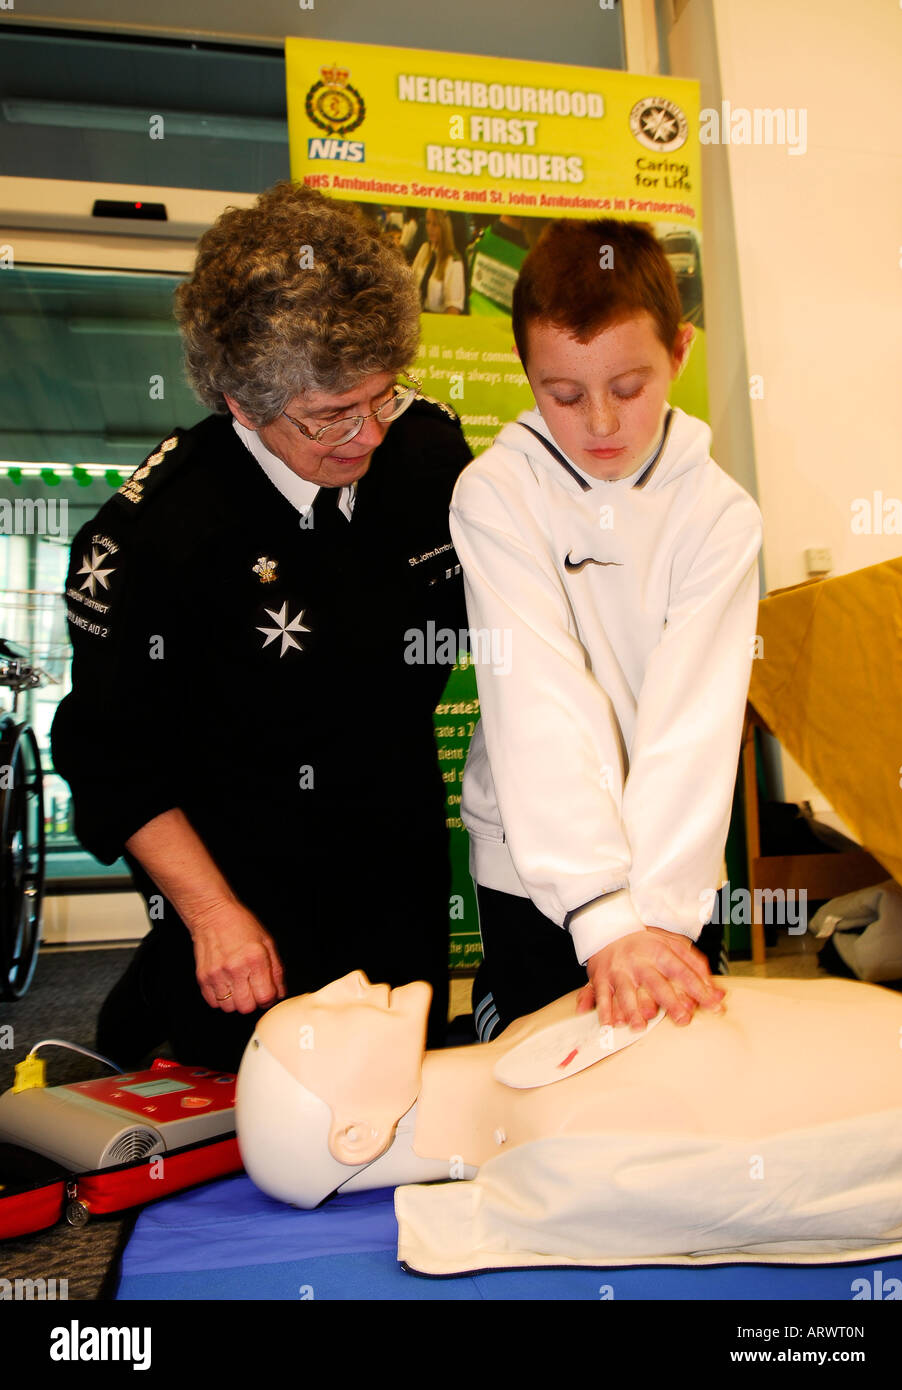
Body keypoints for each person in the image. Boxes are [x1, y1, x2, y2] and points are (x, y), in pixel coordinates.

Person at [51, 182, 473, 1071]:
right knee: (259, 1136)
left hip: (397, 866)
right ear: (240, 404)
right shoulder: (153, 536)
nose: (365, 436)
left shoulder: (428, 456)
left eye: (382, 397)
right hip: (242, 897)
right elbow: (105, 755)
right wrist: (210, 915)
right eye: (329, 417)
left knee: (397, 1115)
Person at [448, 218, 764, 1039]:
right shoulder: (494, 495)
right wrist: (600, 916)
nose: (598, 423)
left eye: (627, 388)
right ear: (525, 373)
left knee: (673, 1078)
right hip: (535, 867)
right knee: (540, 1068)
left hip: (674, 862)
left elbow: (692, 724)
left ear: (680, 353)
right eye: (562, 394)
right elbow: (538, 699)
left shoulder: (719, 513)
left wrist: (656, 916)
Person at [235, 969, 902, 1272]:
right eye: (319, 1018)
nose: (345, 982)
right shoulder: (563, 1148)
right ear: (357, 1135)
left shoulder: (525, 1036)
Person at [411, 209, 466, 314]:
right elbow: (410, 283)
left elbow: (453, 309)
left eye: (435, 224)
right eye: (428, 222)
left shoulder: (453, 261)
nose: (429, 228)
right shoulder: (424, 249)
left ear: (445, 227)